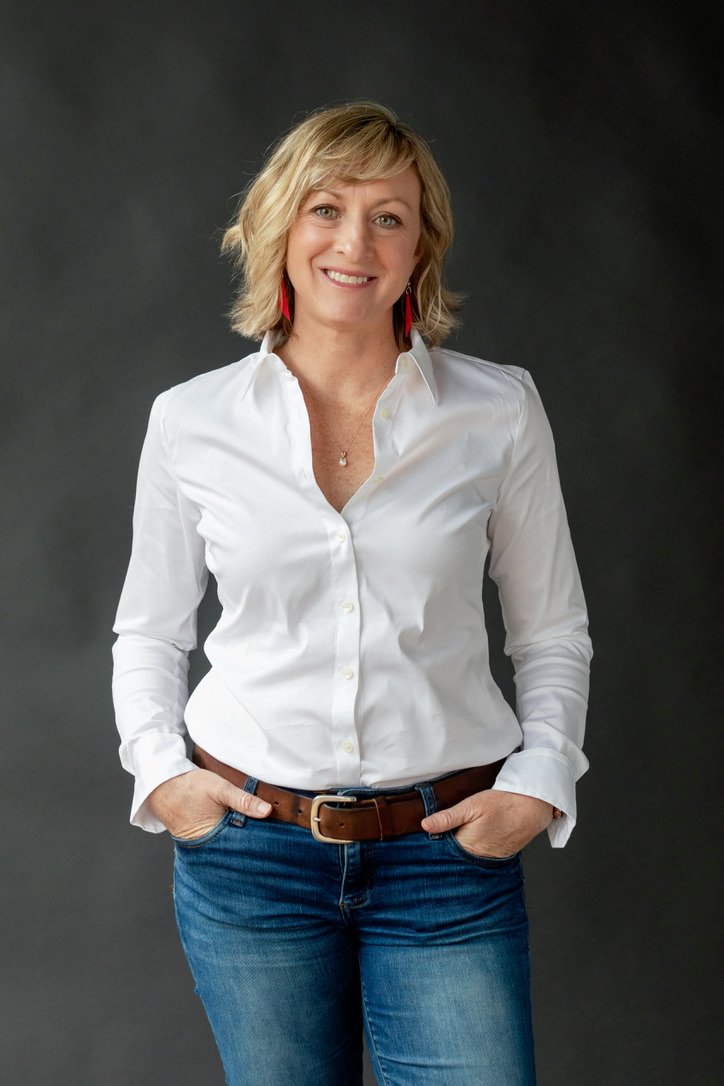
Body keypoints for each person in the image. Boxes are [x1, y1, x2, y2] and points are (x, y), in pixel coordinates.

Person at [112, 101, 591, 1086]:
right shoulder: (192, 420)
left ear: (421, 249)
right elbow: (150, 633)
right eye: (325, 209)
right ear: (280, 229)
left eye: (388, 217)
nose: (354, 242)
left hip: (446, 855)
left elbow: (551, 631)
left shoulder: (498, 409)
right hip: (250, 857)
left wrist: (541, 779)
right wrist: (161, 776)